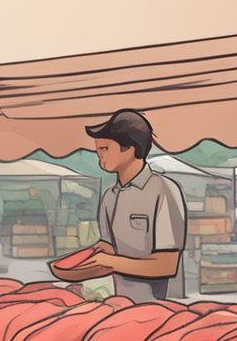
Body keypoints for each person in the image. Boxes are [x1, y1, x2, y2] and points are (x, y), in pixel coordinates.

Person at [72, 109, 188, 302]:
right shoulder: (109, 195)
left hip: (159, 311)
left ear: (130, 148)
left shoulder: (164, 190)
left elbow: (167, 264)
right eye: (98, 149)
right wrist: (82, 261)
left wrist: (109, 261)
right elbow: (108, 247)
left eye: (105, 149)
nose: (99, 155)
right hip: (121, 305)